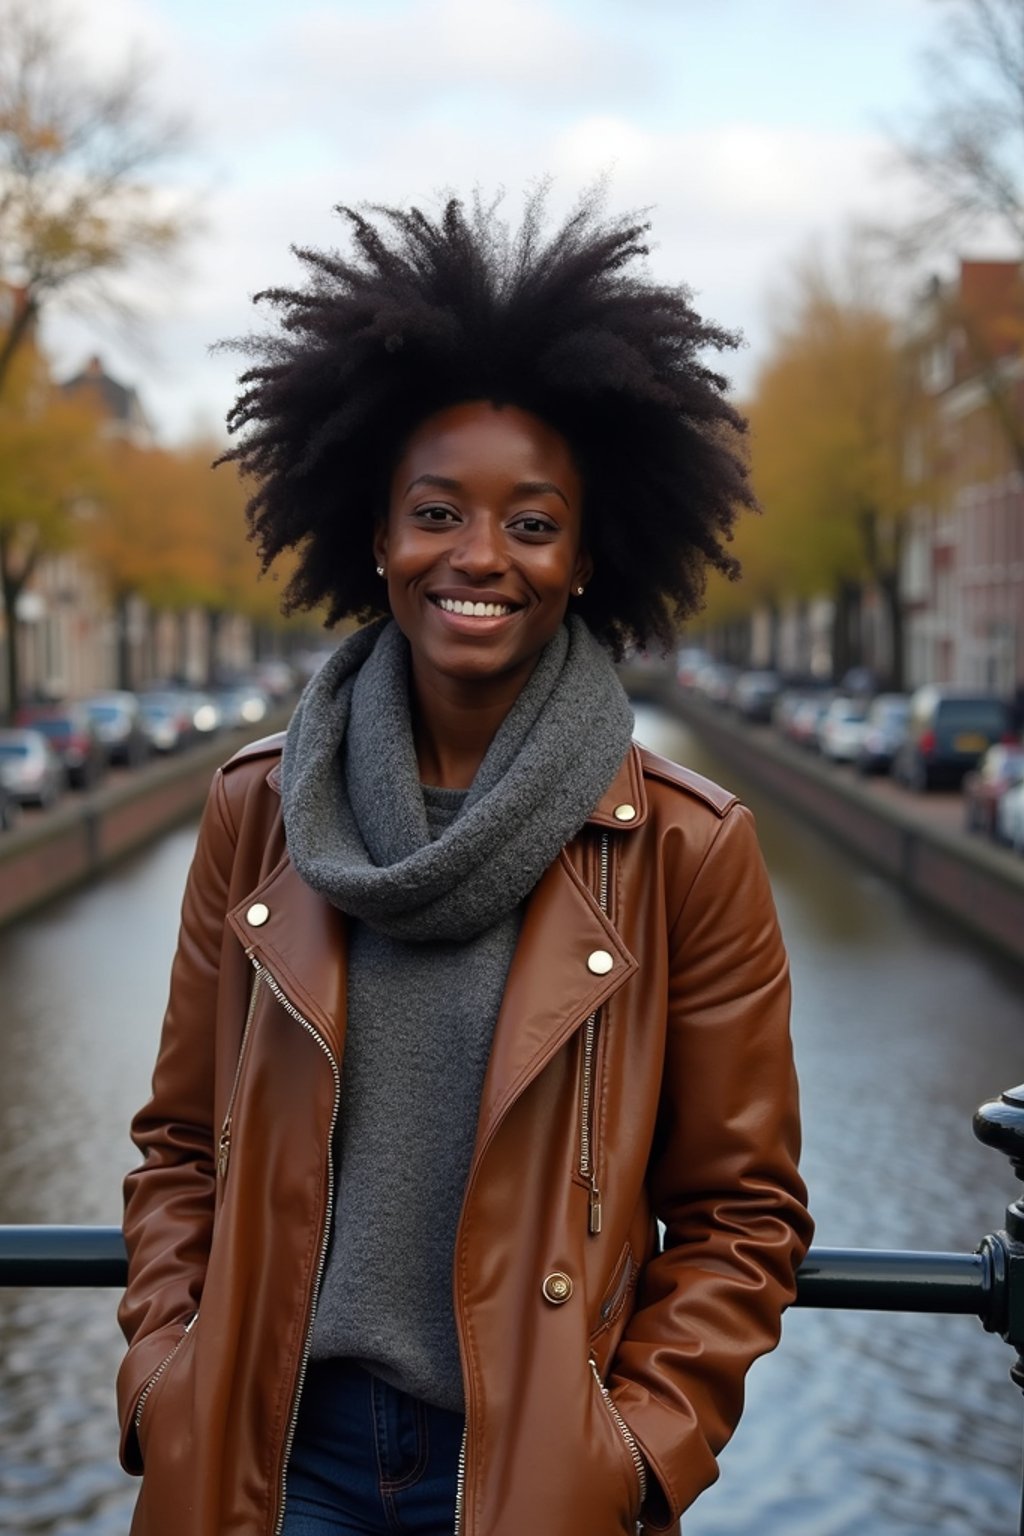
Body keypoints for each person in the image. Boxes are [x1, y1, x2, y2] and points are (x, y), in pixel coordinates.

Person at [116, 190, 813, 1536]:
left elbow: (743, 1216)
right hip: (269, 1465)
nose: (479, 556)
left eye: (532, 523)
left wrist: (633, 1451)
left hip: (522, 1483)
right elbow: (174, 1151)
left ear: (589, 553)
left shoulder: (685, 844)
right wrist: (169, 1375)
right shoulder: (257, 812)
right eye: (437, 512)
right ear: (375, 535)